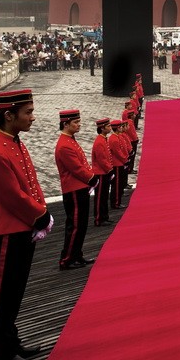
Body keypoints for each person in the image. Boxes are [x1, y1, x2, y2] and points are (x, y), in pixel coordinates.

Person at [0, 89, 52, 360]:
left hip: (20, 229)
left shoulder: (13, 143)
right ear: (9, 116)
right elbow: (12, 197)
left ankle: (11, 343)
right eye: (28, 113)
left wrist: (40, 211)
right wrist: (41, 215)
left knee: (14, 293)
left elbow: (31, 183)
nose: (33, 118)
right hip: (4, 233)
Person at [55, 109, 98, 270]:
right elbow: (77, 169)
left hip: (80, 188)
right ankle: (67, 259)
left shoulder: (70, 140)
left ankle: (76, 255)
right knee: (75, 225)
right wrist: (92, 178)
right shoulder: (64, 144)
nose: (79, 125)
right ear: (66, 124)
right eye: (76, 122)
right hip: (73, 189)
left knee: (81, 224)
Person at [91, 117, 113, 226]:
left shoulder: (103, 139)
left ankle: (104, 217)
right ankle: (99, 219)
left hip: (104, 172)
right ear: (102, 128)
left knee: (104, 196)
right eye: (108, 126)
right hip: (101, 173)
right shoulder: (100, 141)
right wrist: (110, 170)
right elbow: (102, 159)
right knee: (100, 197)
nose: (110, 128)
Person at [108, 119, 130, 209]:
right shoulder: (114, 139)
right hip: (117, 164)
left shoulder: (117, 137)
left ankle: (118, 201)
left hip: (120, 163)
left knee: (119, 184)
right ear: (117, 128)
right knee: (116, 185)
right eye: (120, 126)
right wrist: (125, 160)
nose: (122, 128)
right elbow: (118, 152)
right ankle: (116, 203)